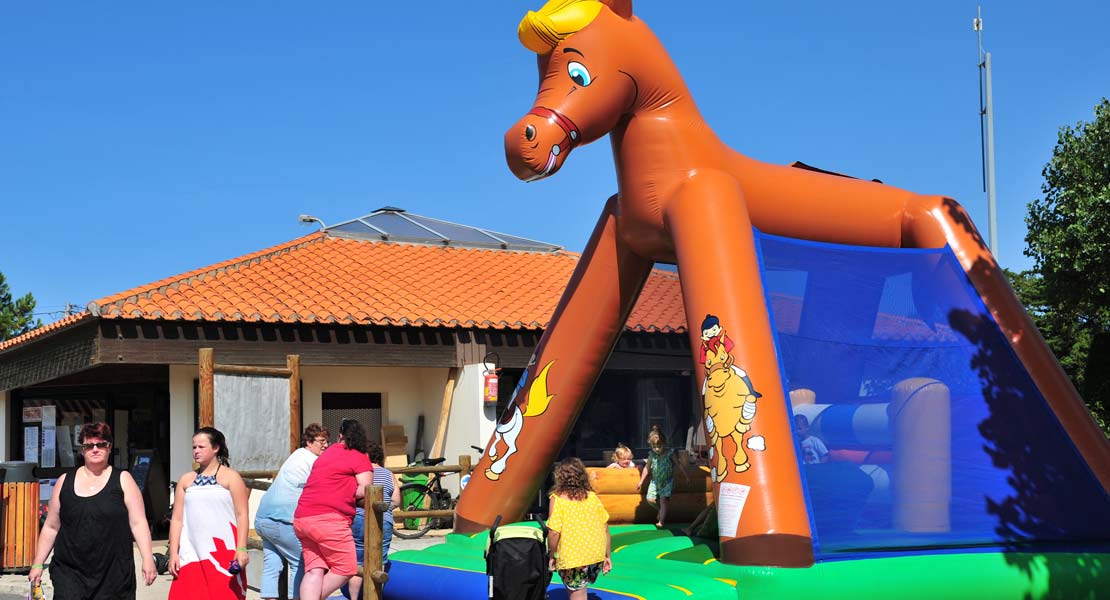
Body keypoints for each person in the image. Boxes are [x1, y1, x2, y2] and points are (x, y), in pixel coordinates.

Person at [28, 422, 157, 599]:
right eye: (89, 445)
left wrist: (148, 558)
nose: (95, 449)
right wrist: (37, 564)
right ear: (82, 450)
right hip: (70, 572)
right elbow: (51, 527)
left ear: (109, 448)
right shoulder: (64, 481)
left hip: (113, 573)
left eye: (101, 444)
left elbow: (138, 523)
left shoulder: (124, 480)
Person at [294, 419, 374, 600]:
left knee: (315, 570)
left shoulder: (326, 454)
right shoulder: (358, 455)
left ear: (340, 436)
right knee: (346, 568)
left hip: (302, 518)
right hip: (329, 520)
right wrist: (349, 491)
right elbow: (367, 488)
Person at [168, 427, 250, 599]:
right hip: (190, 553)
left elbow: (242, 515)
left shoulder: (231, 477)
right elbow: (177, 519)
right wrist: (174, 552)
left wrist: (241, 548)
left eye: (201, 447)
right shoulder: (185, 480)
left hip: (222, 551)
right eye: (194, 447)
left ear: (216, 448)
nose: (196, 451)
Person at [255, 423, 330, 600]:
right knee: (301, 562)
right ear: (309, 442)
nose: (325, 445)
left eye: (327, 441)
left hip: (262, 518)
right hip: (282, 520)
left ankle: (269, 597)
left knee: (272, 563)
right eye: (321, 441)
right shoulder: (313, 461)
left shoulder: (296, 455)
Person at [547, 457, 612, 600]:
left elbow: (553, 532)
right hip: (595, 555)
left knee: (578, 595)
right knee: (582, 589)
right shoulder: (592, 497)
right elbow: (605, 527)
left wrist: (552, 555)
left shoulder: (557, 499)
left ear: (559, 477)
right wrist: (607, 555)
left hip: (573, 557)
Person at [344, 440, 401, 600]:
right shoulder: (389, 474)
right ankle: (377, 596)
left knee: (358, 561)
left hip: (360, 517)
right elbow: (396, 500)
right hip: (385, 520)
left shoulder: (359, 474)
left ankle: (354, 598)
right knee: (379, 560)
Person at [636, 425, 687, 527]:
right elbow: (647, 468)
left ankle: (661, 521)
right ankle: (660, 510)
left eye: (659, 446)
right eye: (654, 447)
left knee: (663, 500)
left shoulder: (669, 453)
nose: (657, 449)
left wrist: (686, 475)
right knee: (650, 499)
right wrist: (641, 481)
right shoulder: (652, 455)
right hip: (655, 481)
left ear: (664, 444)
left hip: (667, 481)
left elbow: (678, 464)